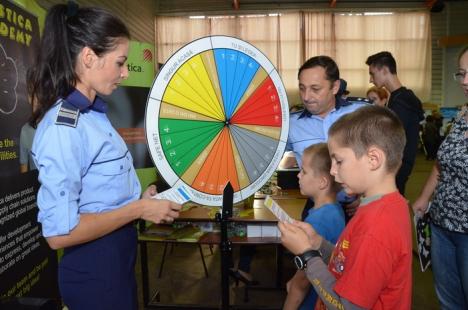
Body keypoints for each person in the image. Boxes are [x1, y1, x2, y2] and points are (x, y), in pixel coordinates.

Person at [27, 4, 181, 309]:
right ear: (88, 57)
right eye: (120, 63)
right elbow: (60, 234)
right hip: (93, 275)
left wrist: (139, 199)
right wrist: (138, 209)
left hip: (117, 264)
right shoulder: (65, 127)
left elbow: (98, 194)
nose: (125, 73)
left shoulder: (93, 115)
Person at [279, 105, 412, 309]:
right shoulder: (387, 204)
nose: (332, 172)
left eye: (339, 161)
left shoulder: (376, 228)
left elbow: (346, 306)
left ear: (373, 159)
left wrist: (307, 256)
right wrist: (319, 245)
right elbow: (352, 260)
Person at [412, 45, 468, 310]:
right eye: (462, 73)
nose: (464, 81)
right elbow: (442, 161)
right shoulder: (464, 113)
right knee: (449, 302)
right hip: (442, 225)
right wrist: (424, 198)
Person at [283, 143, 345, 310]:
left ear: (322, 182)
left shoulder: (318, 222)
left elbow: (302, 284)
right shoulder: (333, 211)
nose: (298, 175)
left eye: (304, 171)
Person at [280, 56, 367, 169]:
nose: (306, 97)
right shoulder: (290, 125)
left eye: (315, 89)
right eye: (302, 88)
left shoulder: (363, 115)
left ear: (335, 87)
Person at [366, 51, 424, 195]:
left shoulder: (401, 102)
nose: (370, 79)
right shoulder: (399, 98)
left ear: (385, 70)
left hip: (396, 168)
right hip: (397, 166)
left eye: (372, 74)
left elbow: (392, 140)